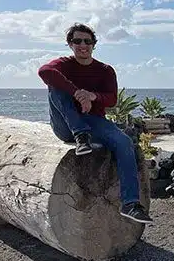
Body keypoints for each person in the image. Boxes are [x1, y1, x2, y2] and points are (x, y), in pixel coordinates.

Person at [38, 23, 153, 225]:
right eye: (77, 41)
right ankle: (80, 135)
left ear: (94, 44)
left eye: (87, 41)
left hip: (94, 121)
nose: (83, 45)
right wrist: (76, 93)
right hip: (66, 124)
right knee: (55, 87)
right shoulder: (63, 64)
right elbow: (44, 71)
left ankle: (130, 204)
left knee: (124, 142)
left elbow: (111, 99)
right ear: (70, 44)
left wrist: (92, 96)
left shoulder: (105, 70)